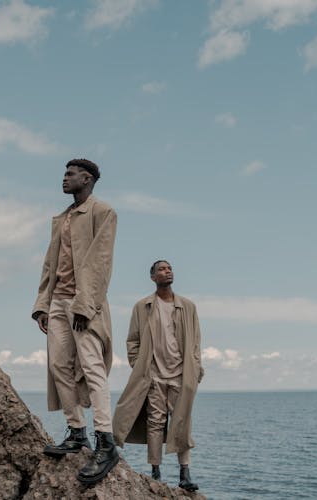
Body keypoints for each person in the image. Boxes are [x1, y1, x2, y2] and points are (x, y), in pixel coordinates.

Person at [31, 158, 119, 485]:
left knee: (92, 367)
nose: (64, 178)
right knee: (58, 367)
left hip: (85, 304)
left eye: (70, 174)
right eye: (64, 173)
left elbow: (101, 261)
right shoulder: (62, 218)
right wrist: (42, 304)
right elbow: (48, 264)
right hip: (57, 302)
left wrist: (85, 304)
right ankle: (77, 432)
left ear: (87, 178)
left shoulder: (102, 212)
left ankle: (106, 442)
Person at [112, 260, 203, 492]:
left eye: (169, 268)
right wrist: (139, 365)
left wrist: (195, 367)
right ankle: (156, 471)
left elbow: (195, 343)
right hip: (153, 376)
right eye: (161, 269)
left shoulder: (188, 307)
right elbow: (132, 340)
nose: (167, 271)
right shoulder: (143, 306)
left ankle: (185, 473)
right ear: (153, 277)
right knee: (155, 423)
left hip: (181, 375)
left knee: (182, 423)